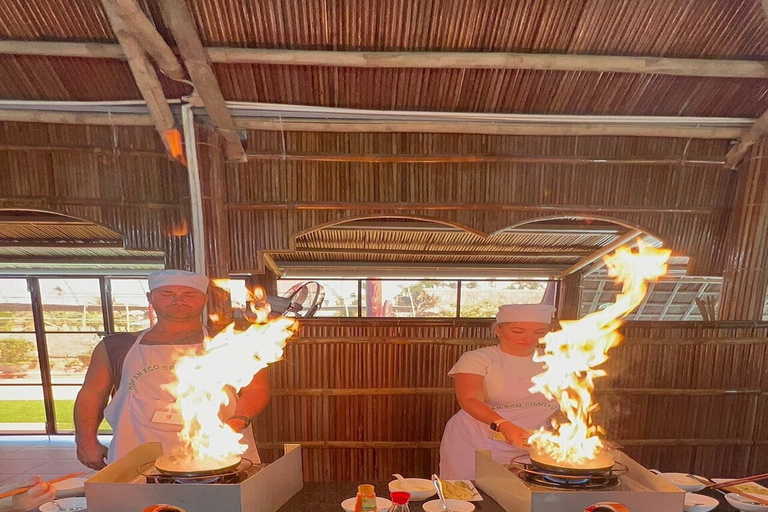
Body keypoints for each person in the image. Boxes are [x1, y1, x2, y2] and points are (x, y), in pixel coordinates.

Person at [74, 270, 270, 470]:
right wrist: (85, 440)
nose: (178, 301)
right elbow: (92, 395)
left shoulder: (233, 342)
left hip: (215, 449)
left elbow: (256, 390)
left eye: (189, 295)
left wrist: (235, 424)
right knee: (139, 501)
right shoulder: (116, 346)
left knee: (219, 499)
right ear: (150, 298)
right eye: (167, 294)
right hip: (135, 449)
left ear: (204, 299)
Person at [439, 304, 559, 480]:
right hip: (477, 441)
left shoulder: (559, 361)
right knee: (470, 497)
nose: (528, 337)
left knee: (523, 499)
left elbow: (572, 401)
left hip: (533, 444)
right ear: (498, 330)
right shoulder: (478, 359)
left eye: (539, 332)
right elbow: (469, 399)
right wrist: (504, 425)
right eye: (518, 331)